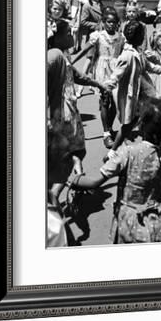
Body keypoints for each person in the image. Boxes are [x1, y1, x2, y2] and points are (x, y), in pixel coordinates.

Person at [65, 98, 161, 243]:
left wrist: (71, 180)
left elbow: (94, 182)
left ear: (142, 126)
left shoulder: (128, 152)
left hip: (127, 223)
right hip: (155, 224)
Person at [47, 20, 107, 211]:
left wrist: (98, 84)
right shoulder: (53, 55)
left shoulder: (62, 55)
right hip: (62, 115)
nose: (72, 37)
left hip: (69, 111)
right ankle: (57, 196)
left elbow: (78, 76)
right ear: (58, 37)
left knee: (76, 152)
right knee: (70, 155)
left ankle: (76, 183)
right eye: (68, 34)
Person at [104, 20, 161, 151]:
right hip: (130, 95)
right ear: (135, 36)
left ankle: (152, 145)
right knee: (127, 125)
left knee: (146, 118)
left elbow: (149, 66)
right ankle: (112, 152)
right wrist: (107, 89)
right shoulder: (127, 55)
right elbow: (115, 76)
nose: (143, 37)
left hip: (142, 93)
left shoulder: (139, 52)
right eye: (141, 34)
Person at [72, 7, 125, 149]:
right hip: (102, 70)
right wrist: (72, 61)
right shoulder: (98, 36)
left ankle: (109, 126)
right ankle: (106, 133)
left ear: (117, 23)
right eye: (108, 22)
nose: (111, 25)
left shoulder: (121, 37)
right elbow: (84, 50)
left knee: (114, 102)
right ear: (104, 22)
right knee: (104, 100)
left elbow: (126, 52)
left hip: (116, 70)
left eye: (114, 22)